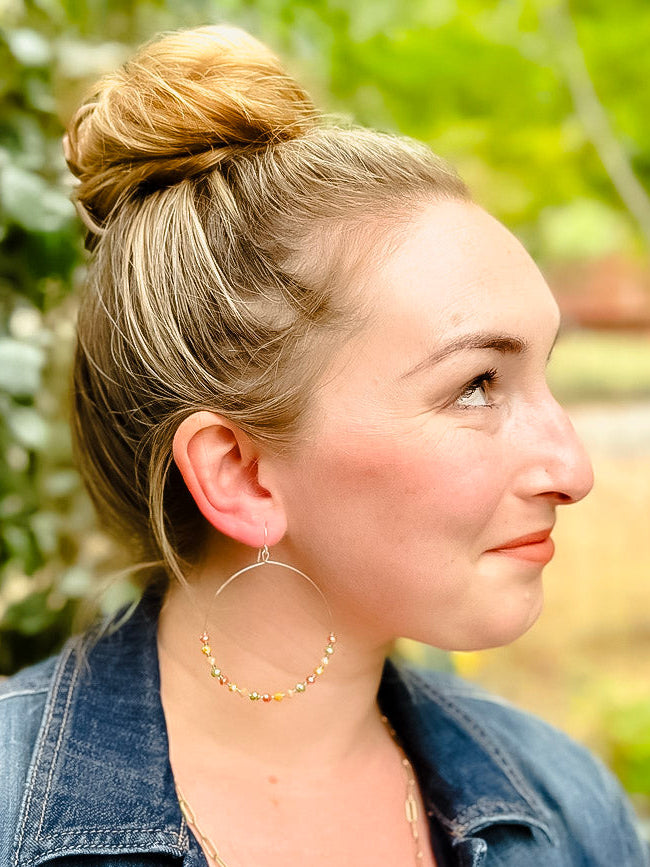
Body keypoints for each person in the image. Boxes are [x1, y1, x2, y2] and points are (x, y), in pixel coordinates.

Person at [0, 23, 648, 867]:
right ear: (240, 474)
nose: (574, 470)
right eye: (477, 384)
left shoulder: (564, 808)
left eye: (543, 377)